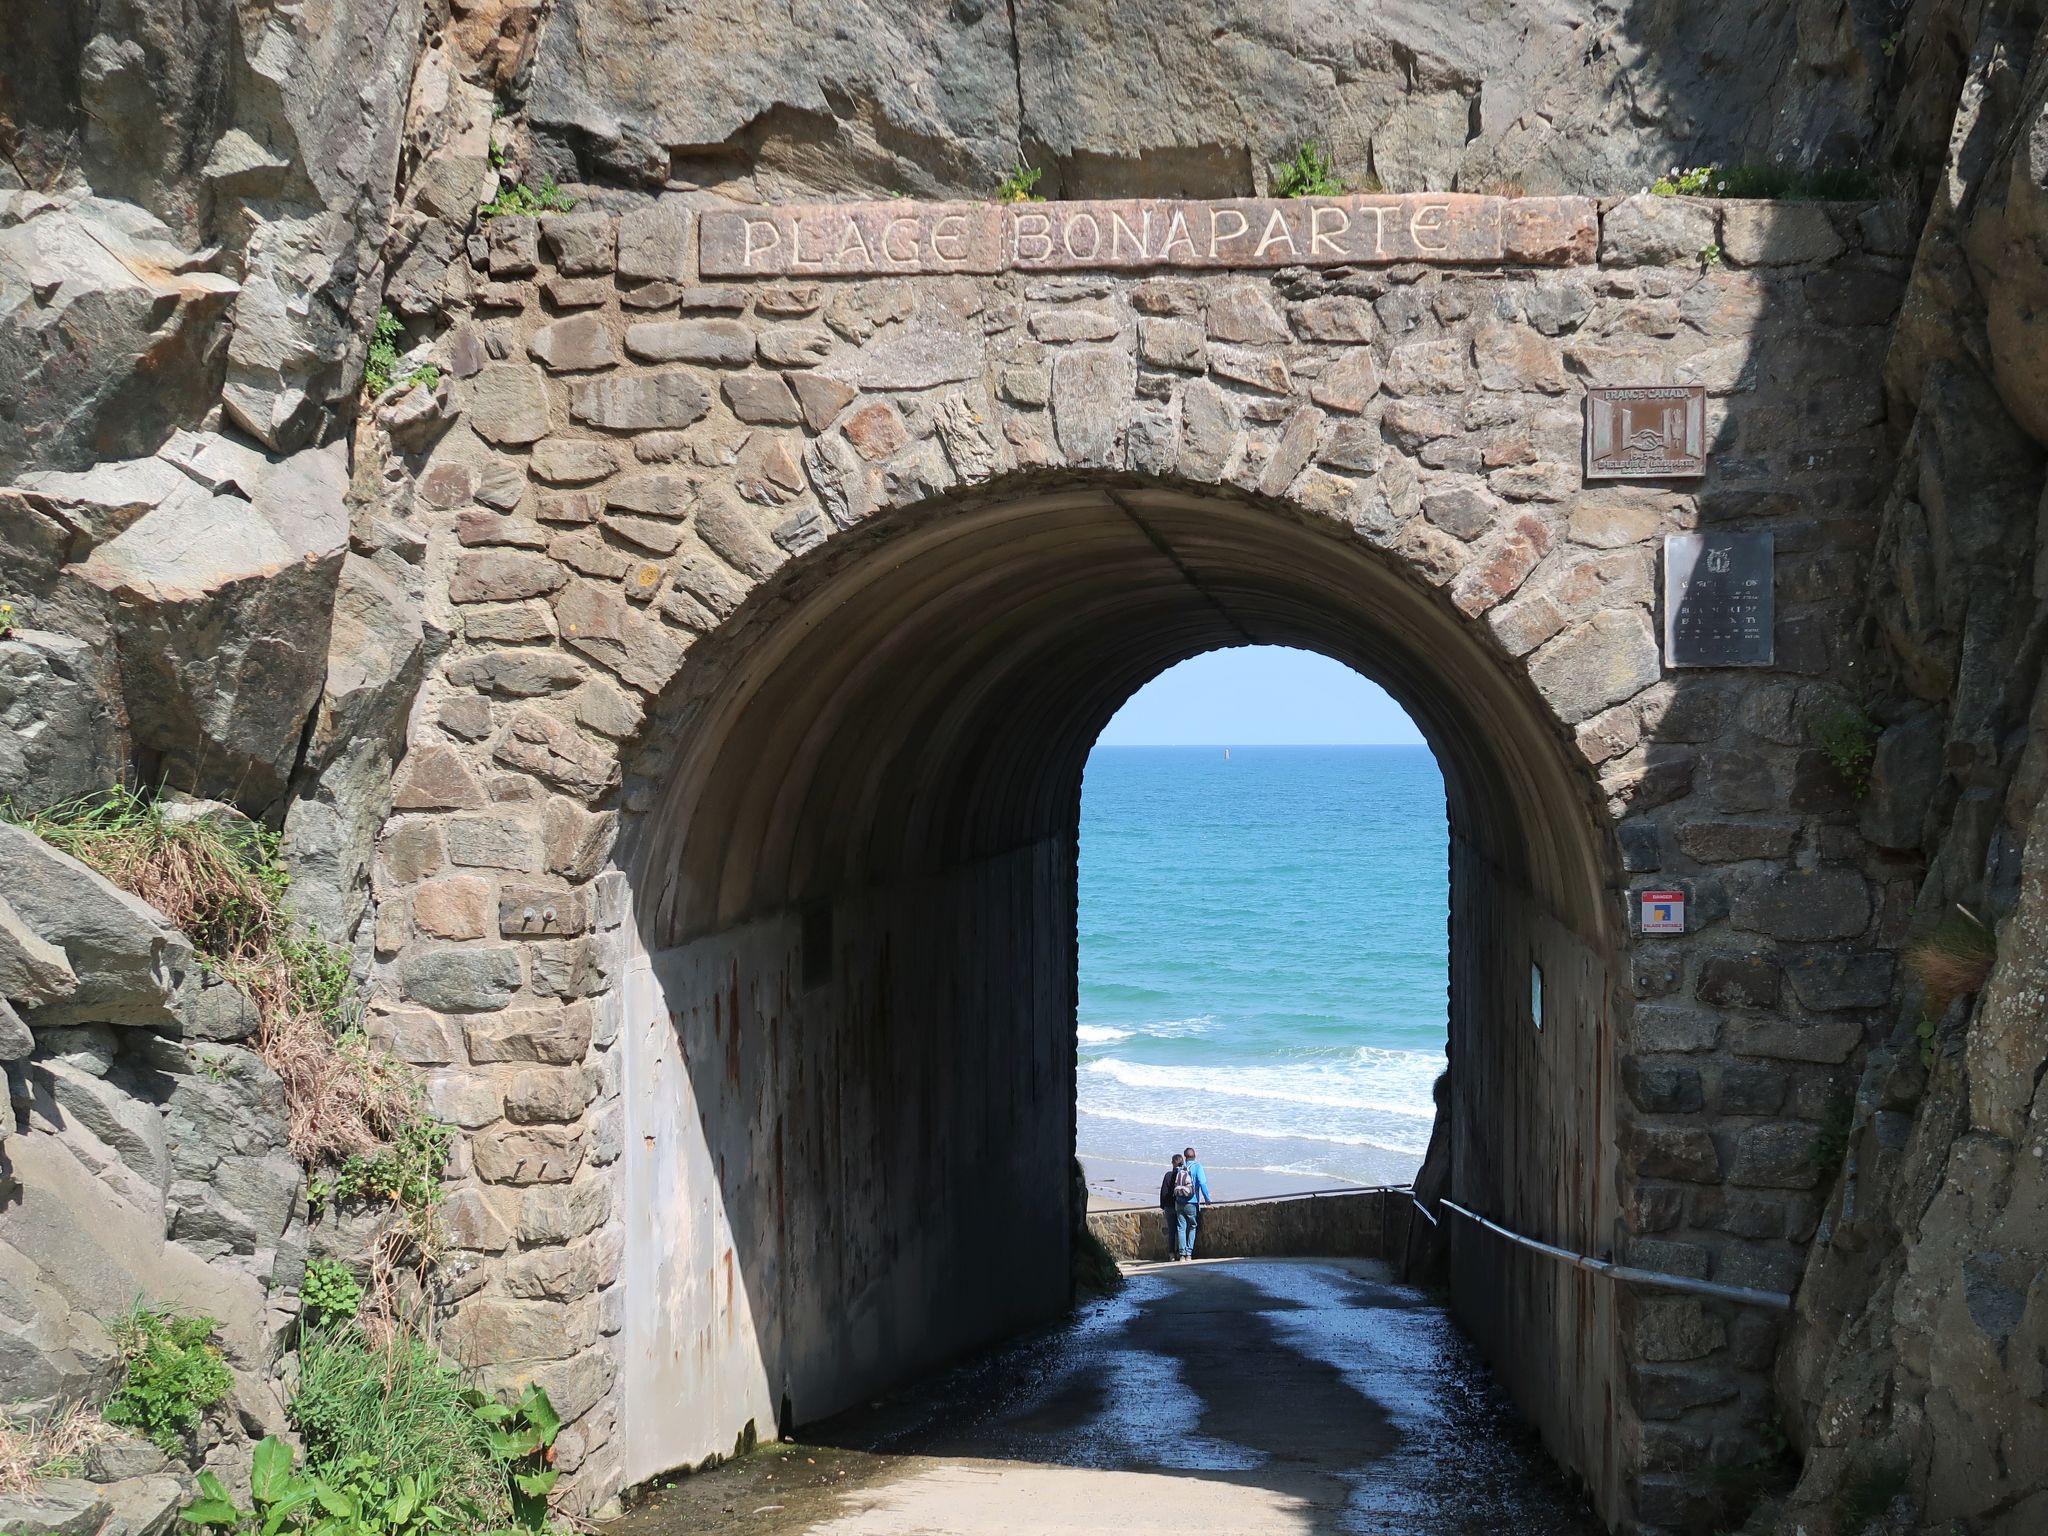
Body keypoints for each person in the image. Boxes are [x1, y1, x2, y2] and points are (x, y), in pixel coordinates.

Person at [1159, 1153, 1197, 1260]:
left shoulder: (1168, 1175)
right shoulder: (1183, 1174)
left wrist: (1162, 1205)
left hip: (1169, 1206)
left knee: (1172, 1231)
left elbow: (1163, 1192)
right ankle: (1182, 1253)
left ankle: (1171, 1253)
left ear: (1172, 1163)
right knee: (1183, 1228)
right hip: (1181, 1203)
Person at [1182, 1146, 1213, 1258]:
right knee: (1192, 1226)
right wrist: (1207, 1199)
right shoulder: (1197, 1166)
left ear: (1185, 1157)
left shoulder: (1181, 1167)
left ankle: (1181, 1254)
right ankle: (1188, 1253)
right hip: (1192, 1201)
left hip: (1179, 1202)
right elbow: (1202, 1183)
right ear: (1195, 1156)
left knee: (1181, 1228)